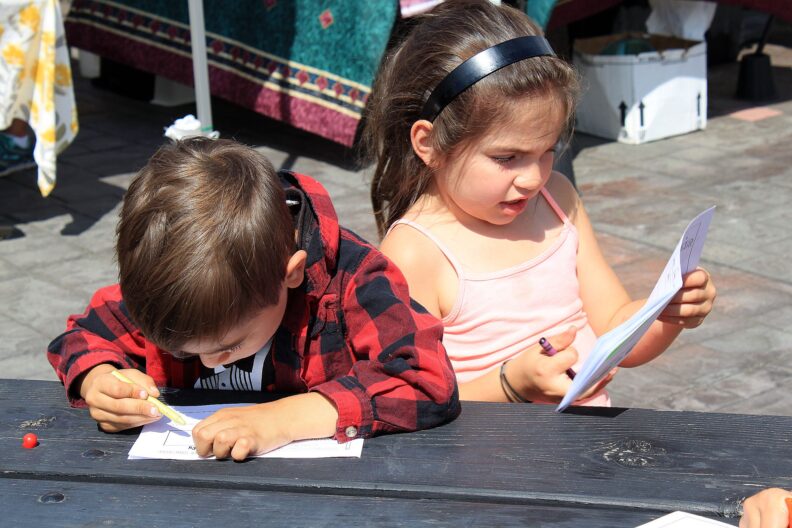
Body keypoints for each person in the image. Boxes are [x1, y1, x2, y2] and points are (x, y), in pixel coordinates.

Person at [364, 0, 716, 405]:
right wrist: (512, 385)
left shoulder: (558, 201)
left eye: (547, 150)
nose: (533, 178)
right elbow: (407, 402)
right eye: (506, 158)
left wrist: (668, 314)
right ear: (430, 144)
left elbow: (615, 330)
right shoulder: (415, 252)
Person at [47, 138, 460, 460]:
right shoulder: (181, 281)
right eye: (183, 350)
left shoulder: (353, 281)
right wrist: (100, 380)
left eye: (229, 346)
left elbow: (425, 380)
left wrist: (281, 420)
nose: (210, 362)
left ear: (292, 274)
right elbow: (83, 336)